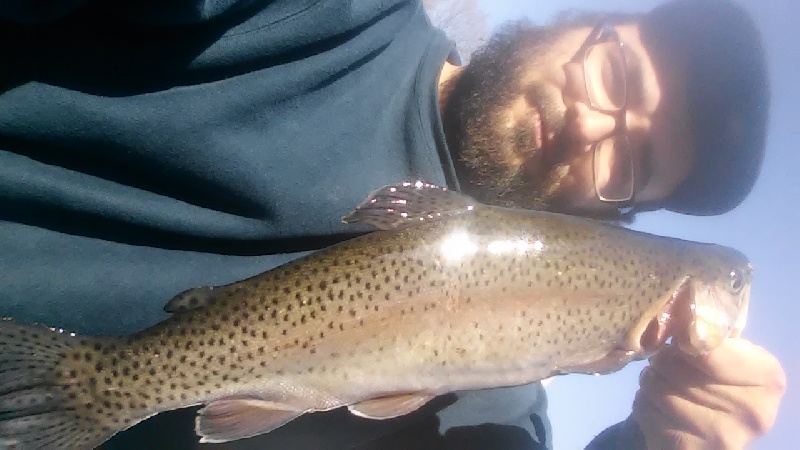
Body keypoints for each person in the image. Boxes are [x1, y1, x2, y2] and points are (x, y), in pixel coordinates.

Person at [0, 0, 785, 448]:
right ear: (583, 21)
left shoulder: (486, 411)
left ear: (617, 216)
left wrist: (653, 442)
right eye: (616, 76)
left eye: (630, 164)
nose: (590, 125)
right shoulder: (337, 12)